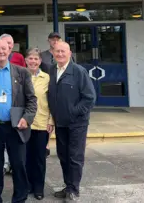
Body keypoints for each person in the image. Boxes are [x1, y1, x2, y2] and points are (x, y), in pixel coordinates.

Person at [0, 39, 37, 203]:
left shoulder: (22, 72)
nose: (0, 52)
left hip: (16, 126)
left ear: (9, 50)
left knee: (19, 165)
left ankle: (19, 198)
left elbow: (32, 100)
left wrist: (27, 118)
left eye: (3, 48)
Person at [48, 41, 95, 201]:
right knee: (63, 156)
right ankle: (68, 186)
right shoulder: (52, 71)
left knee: (75, 157)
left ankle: (74, 190)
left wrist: (73, 113)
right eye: (57, 51)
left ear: (69, 53)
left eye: (63, 51)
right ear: (53, 53)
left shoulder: (78, 71)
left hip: (77, 124)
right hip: (60, 123)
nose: (60, 54)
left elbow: (89, 98)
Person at [24, 48, 54, 201]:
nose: (33, 61)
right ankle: (28, 185)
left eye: (36, 59)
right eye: (30, 58)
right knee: (27, 157)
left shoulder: (47, 78)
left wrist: (51, 120)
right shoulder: (20, 76)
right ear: (26, 60)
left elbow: (52, 101)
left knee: (39, 159)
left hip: (42, 123)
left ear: (40, 61)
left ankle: (38, 188)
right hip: (25, 124)